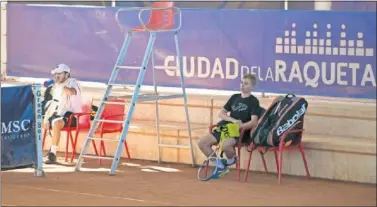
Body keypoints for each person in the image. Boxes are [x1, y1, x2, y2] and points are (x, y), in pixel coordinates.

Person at [197, 74, 261, 177]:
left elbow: (253, 122)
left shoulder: (254, 101)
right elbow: (221, 113)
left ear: (252, 87)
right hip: (226, 127)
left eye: (246, 83)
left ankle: (232, 159)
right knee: (202, 143)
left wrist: (239, 126)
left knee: (225, 145)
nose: (242, 85)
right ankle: (221, 166)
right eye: (241, 82)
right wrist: (233, 120)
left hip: (240, 132)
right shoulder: (234, 97)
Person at [43, 64, 83, 164]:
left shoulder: (73, 82)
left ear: (66, 74)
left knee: (56, 123)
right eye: (56, 74)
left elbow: (72, 92)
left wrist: (59, 87)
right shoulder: (55, 86)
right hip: (58, 115)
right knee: (36, 120)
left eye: (60, 73)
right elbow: (51, 104)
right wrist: (46, 118)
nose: (57, 76)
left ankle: (52, 154)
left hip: (72, 116)